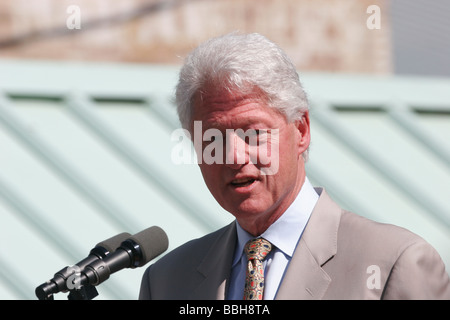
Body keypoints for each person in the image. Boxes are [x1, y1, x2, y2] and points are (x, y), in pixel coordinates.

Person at [139, 32, 450, 300]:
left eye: (253, 133)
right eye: (212, 139)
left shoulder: (394, 263)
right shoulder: (166, 282)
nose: (233, 156)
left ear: (301, 130)